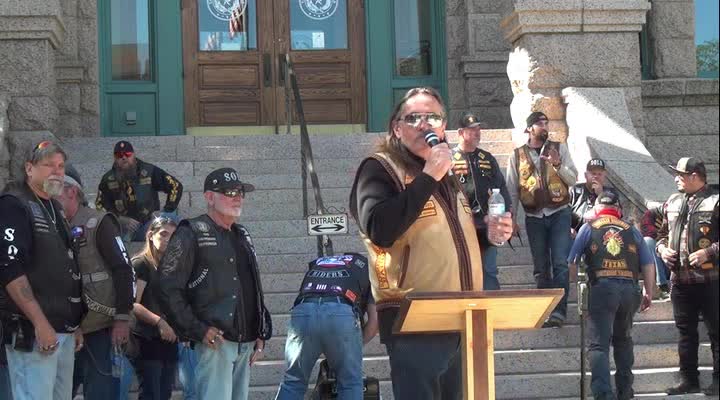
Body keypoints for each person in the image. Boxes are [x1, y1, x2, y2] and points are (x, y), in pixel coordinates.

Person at [349, 87, 513, 399]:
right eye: (414, 118)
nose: (425, 124)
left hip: (465, 317)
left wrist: (490, 234)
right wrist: (428, 176)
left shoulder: (448, 175)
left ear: (443, 127)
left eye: (433, 117)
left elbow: (454, 240)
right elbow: (379, 229)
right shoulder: (380, 168)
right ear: (397, 128)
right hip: (415, 317)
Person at [155, 168, 272, 400]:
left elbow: (252, 286)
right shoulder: (191, 231)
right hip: (214, 341)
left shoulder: (242, 234)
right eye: (229, 192)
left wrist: (261, 327)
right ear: (209, 197)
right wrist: (197, 329)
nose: (237, 196)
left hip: (245, 341)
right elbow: (166, 286)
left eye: (240, 191)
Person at [0, 141, 84, 400]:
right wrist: (40, 322)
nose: (57, 172)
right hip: (34, 330)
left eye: (60, 166)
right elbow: (10, 268)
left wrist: (74, 323)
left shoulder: (55, 208)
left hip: (63, 328)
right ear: (29, 168)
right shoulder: (14, 204)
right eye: (48, 165)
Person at [55, 164, 134, 400]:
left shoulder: (99, 223)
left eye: (53, 187)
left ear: (72, 191)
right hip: (61, 329)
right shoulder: (49, 225)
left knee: (100, 393)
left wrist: (122, 318)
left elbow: (124, 269)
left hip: (98, 328)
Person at [568, 190, 655, 400]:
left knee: (599, 344)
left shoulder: (588, 228)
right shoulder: (632, 230)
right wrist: (649, 292)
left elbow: (571, 261)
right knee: (623, 341)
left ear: (596, 209)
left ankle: (603, 394)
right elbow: (648, 263)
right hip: (628, 290)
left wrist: (575, 284)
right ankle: (625, 392)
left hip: (601, 289)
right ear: (618, 210)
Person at [505, 111, 577, 328]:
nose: (544, 126)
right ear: (529, 129)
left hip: (559, 213)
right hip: (533, 216)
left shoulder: (559, 148)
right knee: (541, 267)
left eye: (546, 122)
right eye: (539, 123)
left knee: (560, 264)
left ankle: (559, 312)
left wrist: (557, 165)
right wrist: (512, 219)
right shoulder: (516, 155)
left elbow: (573, 179)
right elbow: (512, 190)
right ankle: (546, 310)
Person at [275, 253, 378, 399]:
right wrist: (352, 347)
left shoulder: (319, 263)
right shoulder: (370, 268)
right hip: (340, 311)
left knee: (293, 382)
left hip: (303, 309)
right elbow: (374, 322)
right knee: (350, 382)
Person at [656, 157, 718, 396]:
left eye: (680, 175)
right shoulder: (672, 201)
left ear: (695, 176)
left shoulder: (715, 201)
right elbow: (660, 232)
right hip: (681, 281)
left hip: (711, 280)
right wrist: (661, 250)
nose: (676, 179)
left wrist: (708, 252)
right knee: (685, 333)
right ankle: (689, 380)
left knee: (717, 332)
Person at [451, 112, 511, 290]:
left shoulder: (487, 158)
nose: (478, 133)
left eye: (479, 129)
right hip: (461, 226)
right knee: (461, 271)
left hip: (487, 225)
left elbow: (502, 189)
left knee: (489, 271)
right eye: (472, 130)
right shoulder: (449, 160)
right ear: (461, 133)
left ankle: (492, 312)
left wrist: (507, 215)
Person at [131, 217, 180, 400]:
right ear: (151, 235)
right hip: (146, 339)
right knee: (152, 393)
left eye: (173, 236)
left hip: (169, 339)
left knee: (165, 393)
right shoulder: (141, 263)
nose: (168, 239)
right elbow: (132, 303)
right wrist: (159, 321)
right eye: (164, 234)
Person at [95, 140, 183, 241]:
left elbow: (176, 186)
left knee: (172, 222)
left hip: (148, 223)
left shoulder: (149, 171)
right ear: (115, 158)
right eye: (119, 155)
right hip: (122, 228)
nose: (124, 158)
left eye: (127, 154)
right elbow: (99, 205)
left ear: (134, 155)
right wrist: (119, 219)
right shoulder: (108, 179)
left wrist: (166, 211)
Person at [569, 158, 619, 235]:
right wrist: (568, 228)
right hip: (576, 234)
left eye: (599, 174)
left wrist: (601, 195)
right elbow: (563, 213)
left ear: (604, 175)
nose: (596, 177)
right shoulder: (575, 190)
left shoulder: (611, 193)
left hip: (602, 235)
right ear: (586, 175)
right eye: (593, 173)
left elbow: (618, 215)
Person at [640, 204, 671, 299]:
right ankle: (662, 285)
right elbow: (648, 233)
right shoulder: (650, 215)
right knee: (648, 241)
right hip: (658, 259)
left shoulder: (682, 216)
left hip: (675, 259)